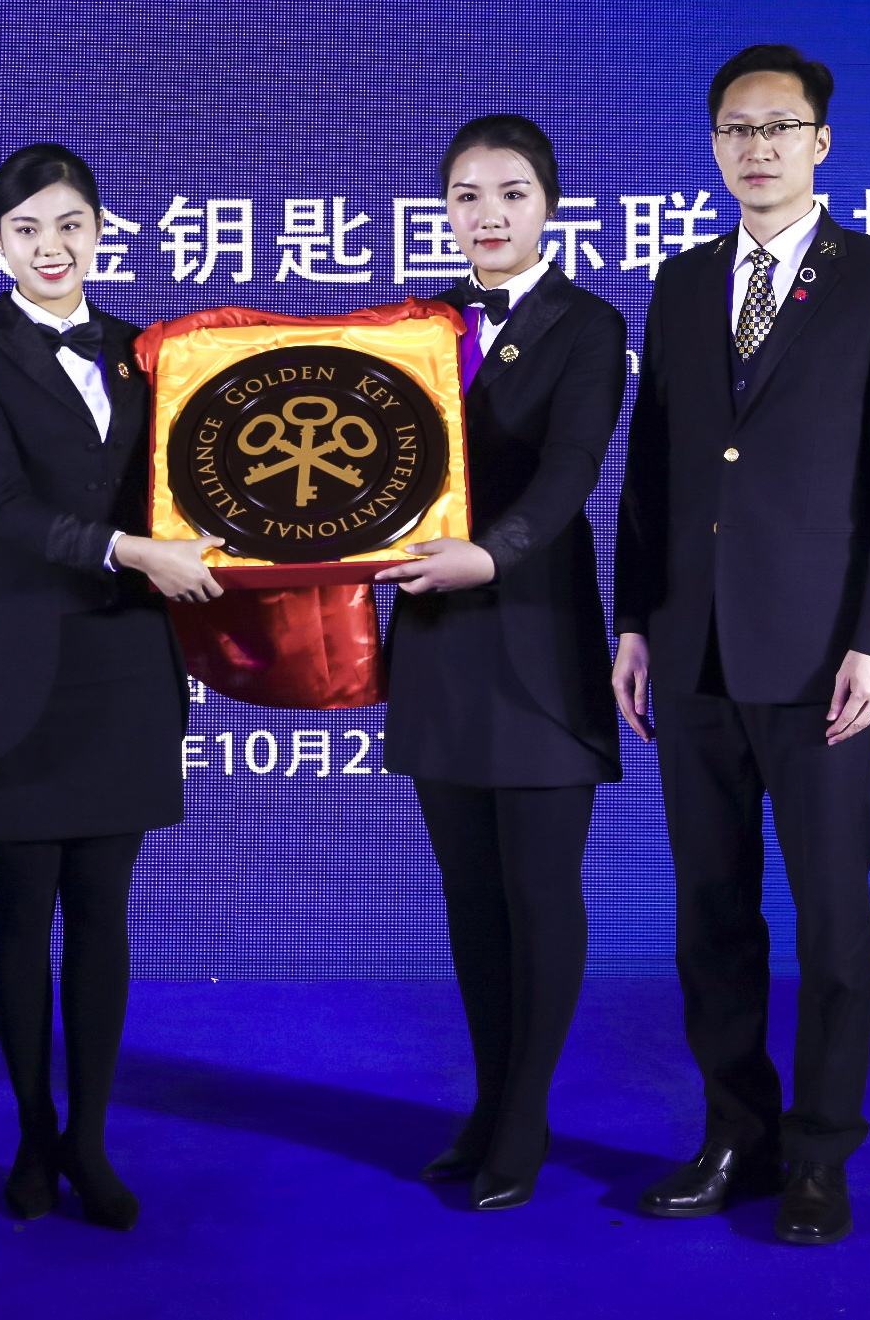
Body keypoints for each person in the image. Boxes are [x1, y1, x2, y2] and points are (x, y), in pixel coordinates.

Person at [613, 44, 870, 1244]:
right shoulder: (681, 281)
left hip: (821, 663)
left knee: (829, 918)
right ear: (711, 144)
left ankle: (817, 1153)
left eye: (778, 125)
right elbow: (652, 472)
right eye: (733, 128)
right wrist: (634, 619)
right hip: (691, 651)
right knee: (708, 914)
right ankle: (734, 1135)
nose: (754, 147)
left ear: (820, 142)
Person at [0, 143, 223, 1231]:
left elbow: (194, 484)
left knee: (104, 908)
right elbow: (4, 509)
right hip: (27, 660)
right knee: (22, 907)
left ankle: (90, 1141)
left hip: (128, 660)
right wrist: (132, 552)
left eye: (69, 226)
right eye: (26, 230)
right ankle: (29, 1132)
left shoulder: (147, 352)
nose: (50, 248)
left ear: (100, 232)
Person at [376, 115, 627, 1211]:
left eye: (511, 193)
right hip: (437, 639)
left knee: (538, 888)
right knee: (472, 897)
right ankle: (487, 1103)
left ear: (548, 206)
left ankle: (524, 1117)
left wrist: (492, 552)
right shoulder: (411, 328)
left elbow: (572, 469)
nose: (488, 215)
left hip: (533, 633)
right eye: (467, 196)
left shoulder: (587, 323)